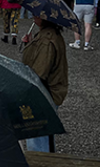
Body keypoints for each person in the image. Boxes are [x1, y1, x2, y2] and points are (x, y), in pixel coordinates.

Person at [22, 16, 69, 152]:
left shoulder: (46, 40)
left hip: (44, 92)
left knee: (37, 134)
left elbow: (39, 71)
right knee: (44, 133)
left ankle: (41, 166)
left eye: (37, 15)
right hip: (49, 91)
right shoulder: (48, 34)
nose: (33, 17)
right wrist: (29, 45)